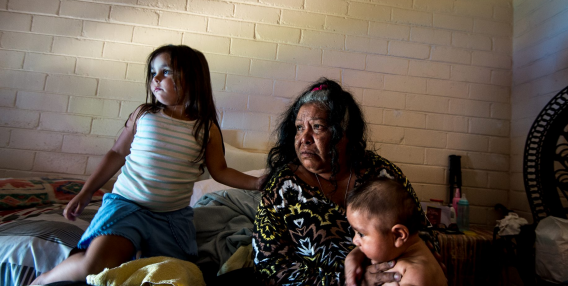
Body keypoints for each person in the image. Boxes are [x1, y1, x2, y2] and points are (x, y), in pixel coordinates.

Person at [32, 45, 263, 284]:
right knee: (95, 265)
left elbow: (221, 171)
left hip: (171, 220)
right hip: (127, 207)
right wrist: (87, 191)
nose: (156, 78)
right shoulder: (144, 115)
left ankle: (138, 251)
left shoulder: (206, 129)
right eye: (153, 73)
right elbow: (116, 153)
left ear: (193, 78)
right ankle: (42, 280)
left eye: (166, 71)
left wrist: (256, 182)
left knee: (172, 273)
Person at [252, 78, 441, 286]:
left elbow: (421, 231)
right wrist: (347, 281)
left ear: (345, 133)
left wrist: (413, 266)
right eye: (298, 128)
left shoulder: (383, 173)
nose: (304, 138)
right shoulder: (281, 186)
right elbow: (269, 267)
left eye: (317, 127)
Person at [346, 178, 447, 286]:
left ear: (398, 235)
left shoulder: (415, 274)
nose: (355, 241)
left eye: (361, 234)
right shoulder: (399, 253)